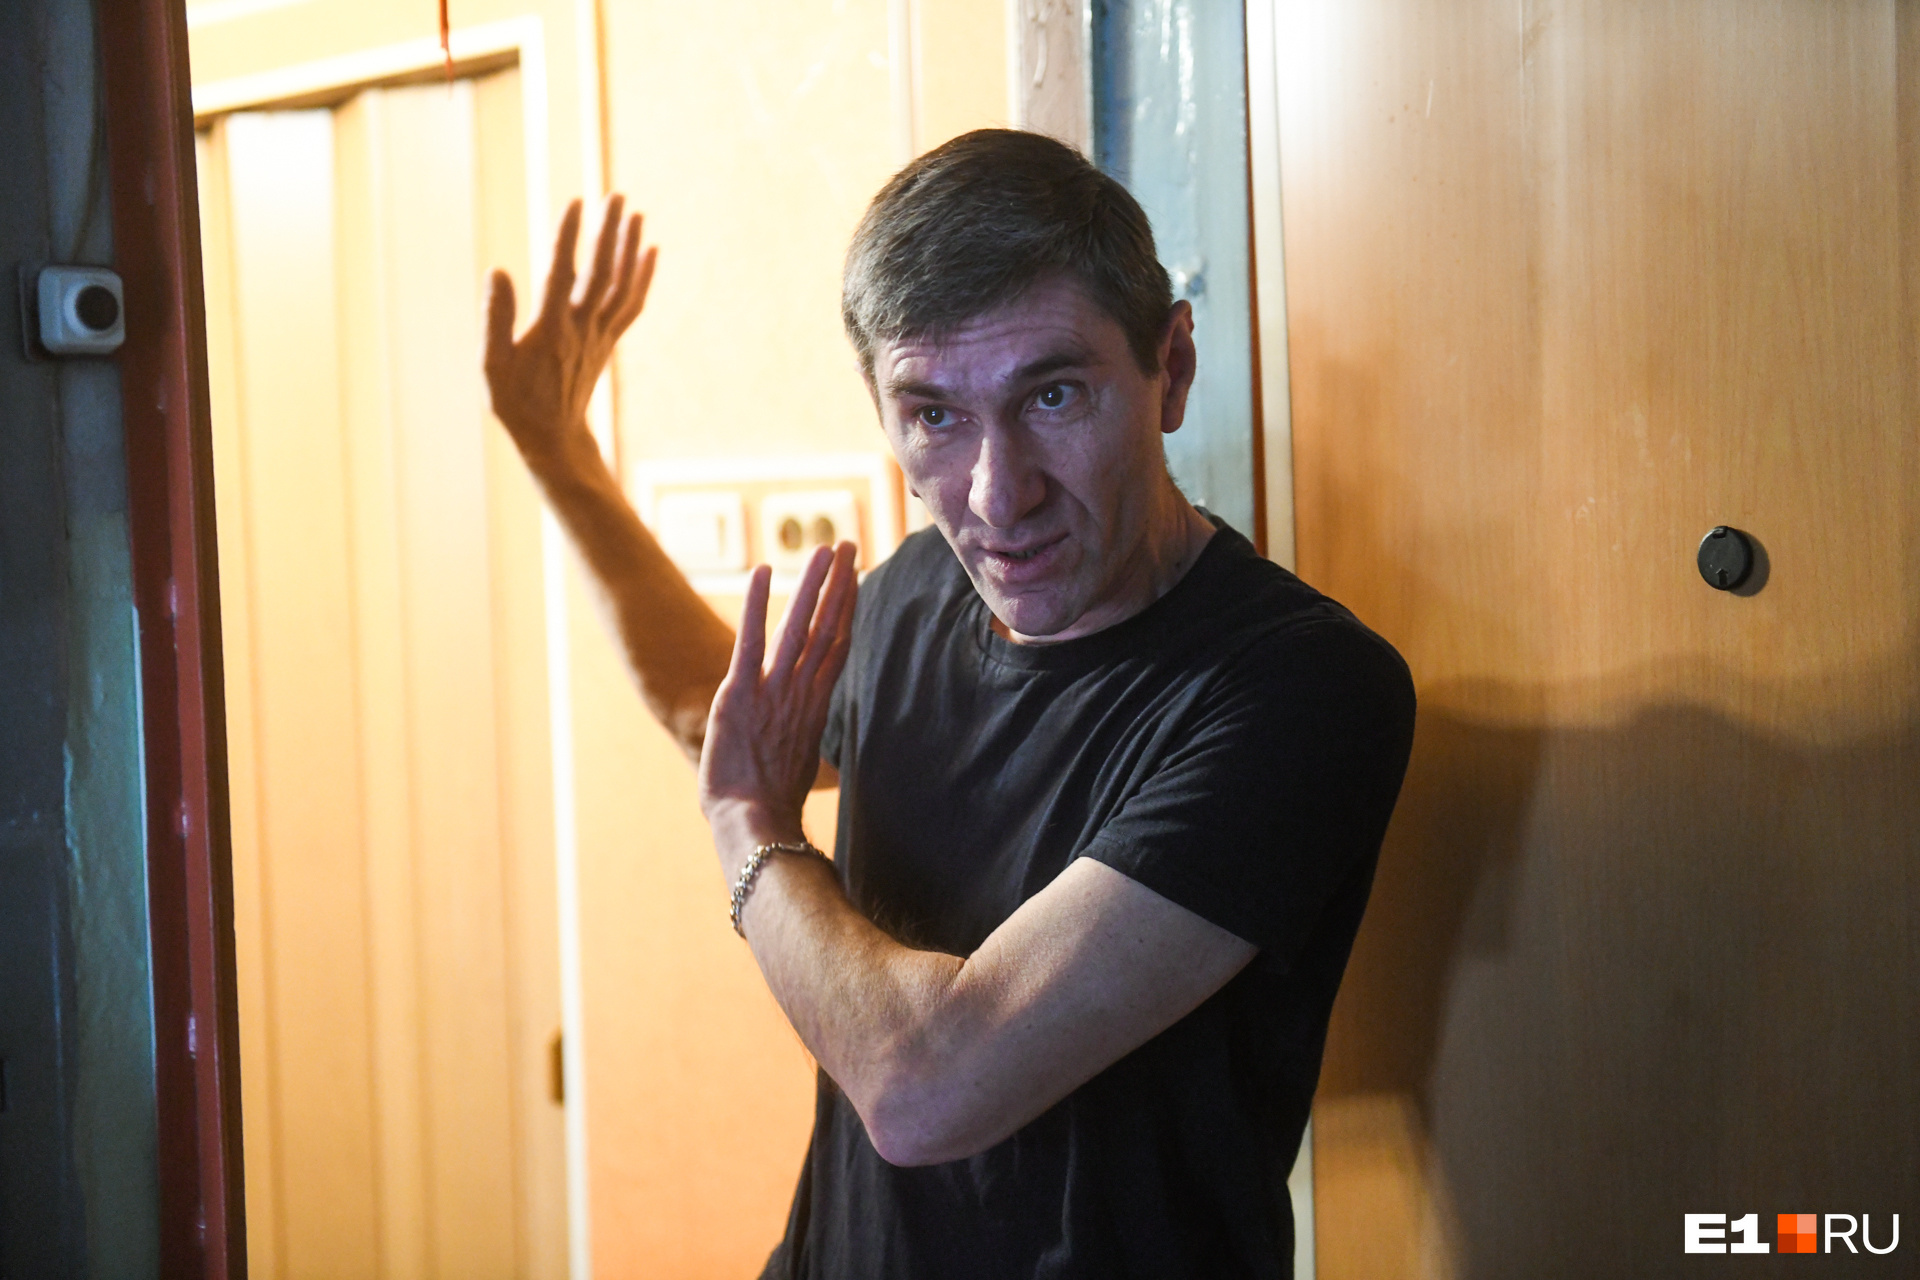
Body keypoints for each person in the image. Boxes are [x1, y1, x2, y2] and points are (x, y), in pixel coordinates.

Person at [482, 128, 1415, 1279]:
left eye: (1053, 394)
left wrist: (747, 826)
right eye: (933, 415)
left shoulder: (1299, 689)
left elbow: (927, 1084)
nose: (997, 494)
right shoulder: (921, 589)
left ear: (1170, 369)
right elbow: (716, 718)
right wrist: (560, 452)